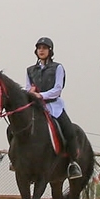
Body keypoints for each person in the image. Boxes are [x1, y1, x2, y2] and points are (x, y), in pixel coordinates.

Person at [25, 37, 83, 179]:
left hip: (54, 106)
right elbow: (27, 88)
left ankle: (72, 164)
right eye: (39, 48)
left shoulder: (58, 68)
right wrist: (31, 94)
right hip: (36, 107)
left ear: (50, 51)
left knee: (69, 130)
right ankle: (17, 160)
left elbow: (57, 89)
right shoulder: (30, 70)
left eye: (44, 48)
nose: (41, 50)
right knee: (14, 129)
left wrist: (40, 95)